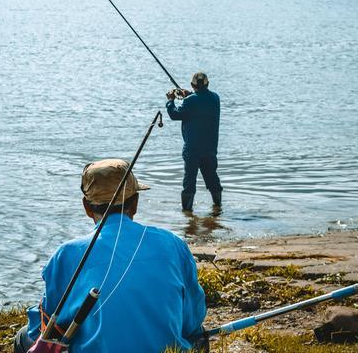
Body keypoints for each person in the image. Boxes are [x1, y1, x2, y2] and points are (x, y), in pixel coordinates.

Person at [14, 158, 207, 353]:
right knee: (199, 335)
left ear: (87, 207)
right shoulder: (172, 243)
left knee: (23, 336)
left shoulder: (67, 254)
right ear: (135, 203)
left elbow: (42, 328)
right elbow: (193, 318)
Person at [166, 72, 222, 212]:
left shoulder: (190, 101)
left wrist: (170, 101)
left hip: (192, 149)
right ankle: (218, 208)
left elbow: (175, 114)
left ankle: (187, 213)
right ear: (208, 84)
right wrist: (190, 95)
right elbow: (201, 102)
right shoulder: (215, 98)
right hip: (210, 148)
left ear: (192, 85)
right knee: (212, 178)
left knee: (189, 181)